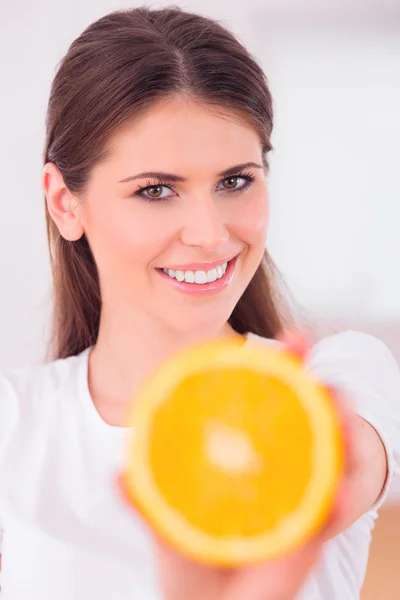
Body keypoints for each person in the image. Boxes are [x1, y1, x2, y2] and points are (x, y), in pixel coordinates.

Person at [0, 6, 399, 600]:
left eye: (235, 181)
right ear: (65, 203)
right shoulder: (14, 423)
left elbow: (339, 469)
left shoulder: (336, 378)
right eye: (156, 190)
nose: (209, 233)